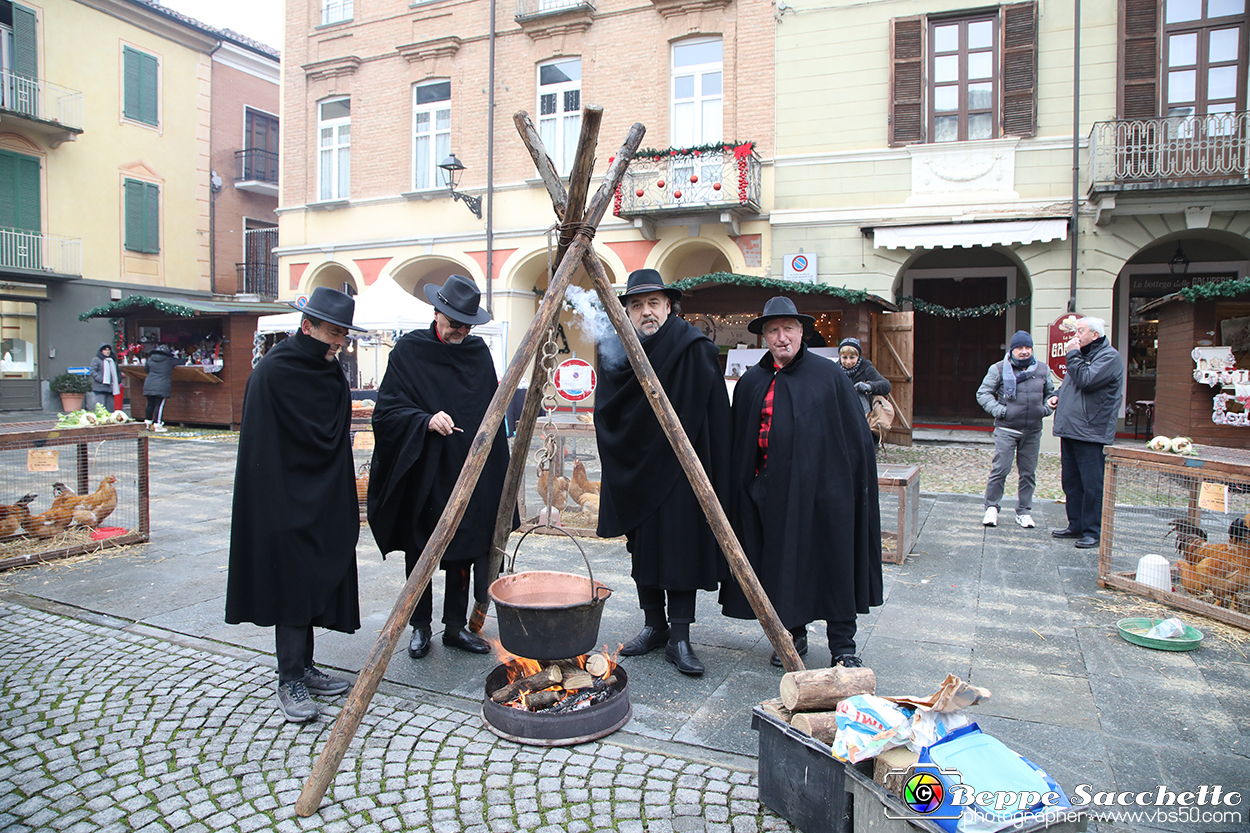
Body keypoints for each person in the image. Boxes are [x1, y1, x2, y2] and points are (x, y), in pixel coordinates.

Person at [720, 297, 883, 668]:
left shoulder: (828, 378)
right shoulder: (752, 382)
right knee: (781, 563)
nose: (782, 337)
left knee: (833, 561)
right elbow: (741, 441)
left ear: (801, 332)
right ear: (765, 336)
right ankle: (792, 635)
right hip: (769, 492)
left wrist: (843, 488)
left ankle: (843, 646)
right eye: (774, 330)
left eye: (788, 329)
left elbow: (853, 440)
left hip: (824, 493)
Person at [226, 287, 363, 724]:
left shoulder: (329, 370)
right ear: (307, 326)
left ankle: (305, 665)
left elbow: (332, 433)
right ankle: (290, 679)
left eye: (344, 333)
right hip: (281, 499)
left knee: (312, 579)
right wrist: (280, 503)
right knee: (289, 583)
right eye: (334, 332)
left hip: (323, 494)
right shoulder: (273, 372)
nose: (340, 341)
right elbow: (263, 448)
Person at [368, 275, 513, 660]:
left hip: (469, 471)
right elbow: (386, 412)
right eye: (453, 324)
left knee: (465, 551)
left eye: (466, 325)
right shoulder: (408, 352)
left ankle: (454, 627)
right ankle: (420, 626)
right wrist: (424, 420)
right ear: (436, 312)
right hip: (426, 470)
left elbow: (492, 413)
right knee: (421, 550)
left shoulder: (478, 353)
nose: (459, 332)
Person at [595, 269, 731, 677]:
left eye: (653, 303)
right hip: (635, 465)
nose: (646, 312)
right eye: (636, 305)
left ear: (669, 306)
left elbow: (715, 414)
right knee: (643, 547)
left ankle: (681, 636)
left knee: (680, 549)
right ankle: (654, 625)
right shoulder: (615, 351)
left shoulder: (693, 347)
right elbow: (608, 409)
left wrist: (713, 468)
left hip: (680, 471)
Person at [1049, 316, 1124, 549]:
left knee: (1092, 484)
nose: (1076, 336)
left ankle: (1093, 531)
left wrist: (1072, 354)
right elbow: (1070, 384)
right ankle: (1076, 525)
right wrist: (1056, 396)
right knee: (1071, 482)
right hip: (1071, 429)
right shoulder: (1082, 356)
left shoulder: (1109, 357)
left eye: (1080, 331)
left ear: (1095, 334)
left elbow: (1086, 380)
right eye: (1075, 331)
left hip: (1091, 431)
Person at [976, 330, 1056, 529]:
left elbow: (1051, 394)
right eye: (1020, 348)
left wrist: (1045, 409)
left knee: (1028, 473)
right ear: (1012, 350)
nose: (1024, 352)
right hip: (1006, 429)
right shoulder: (999, 368)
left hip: (1033, 430)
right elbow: (983, 393)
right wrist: (1001, 411)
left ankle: (1024, 511)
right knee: (1000, 469)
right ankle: (991, 507)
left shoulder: (1043, 370)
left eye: (1027, 347)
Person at [837, 337, 891, 417]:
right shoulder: (835, 369)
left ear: (858, 356)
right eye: (845, 357)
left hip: (863, 414)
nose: (848, 361)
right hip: (841, 413)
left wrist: (868, 387)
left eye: (852, 357)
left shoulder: (865, 367)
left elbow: (886, 386)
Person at [142, 343, 181, 433]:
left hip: (149, 384)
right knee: (159, 406)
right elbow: (182, 362)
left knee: (150, 404)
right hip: (162, 385)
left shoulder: (150, 359)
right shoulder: (169, 360)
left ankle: (147, 424)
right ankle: (158, 425)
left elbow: (146, 369)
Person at [89, 343, 121, 411]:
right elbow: (93, 371)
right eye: (105, 350)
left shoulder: (112, 361)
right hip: (100, 388)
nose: (107, 352)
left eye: (108, 350)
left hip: (110, 388)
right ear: (101, 351)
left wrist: (118, 380)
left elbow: (117, 372)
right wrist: (102, 379)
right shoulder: (96, 360)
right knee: (100, 408)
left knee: (110, 408)